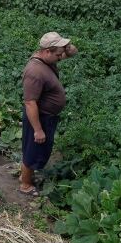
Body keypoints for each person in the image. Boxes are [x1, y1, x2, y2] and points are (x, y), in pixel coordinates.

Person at [19, 32, 77, 196]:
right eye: (58, 55)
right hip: (39, 117)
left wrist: (66, 46)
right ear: (47, 51)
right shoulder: (35, 72)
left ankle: (25, 176)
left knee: (36, 149)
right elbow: (30, 102)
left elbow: (72, 52)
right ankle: (25, 185)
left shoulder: (47, 59)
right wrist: (38, 129)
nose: (61, 58)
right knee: (32, 151)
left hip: (47, 116)